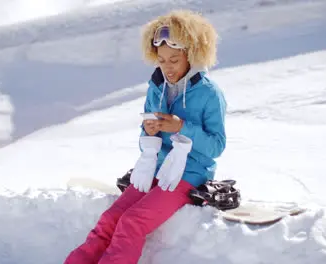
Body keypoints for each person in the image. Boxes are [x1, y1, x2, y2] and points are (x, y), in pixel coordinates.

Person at [63, 9, 227, 264]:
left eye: (174, 59)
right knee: (109, 220)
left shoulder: (209, 94)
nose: (167, 67)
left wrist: (181, 127)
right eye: (162, 60)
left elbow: (216, 145)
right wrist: (149, 132)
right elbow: (147, 132)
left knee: (132, 221)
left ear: (191, 54)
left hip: (187, 175)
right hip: (154, 169)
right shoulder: (157, 86)